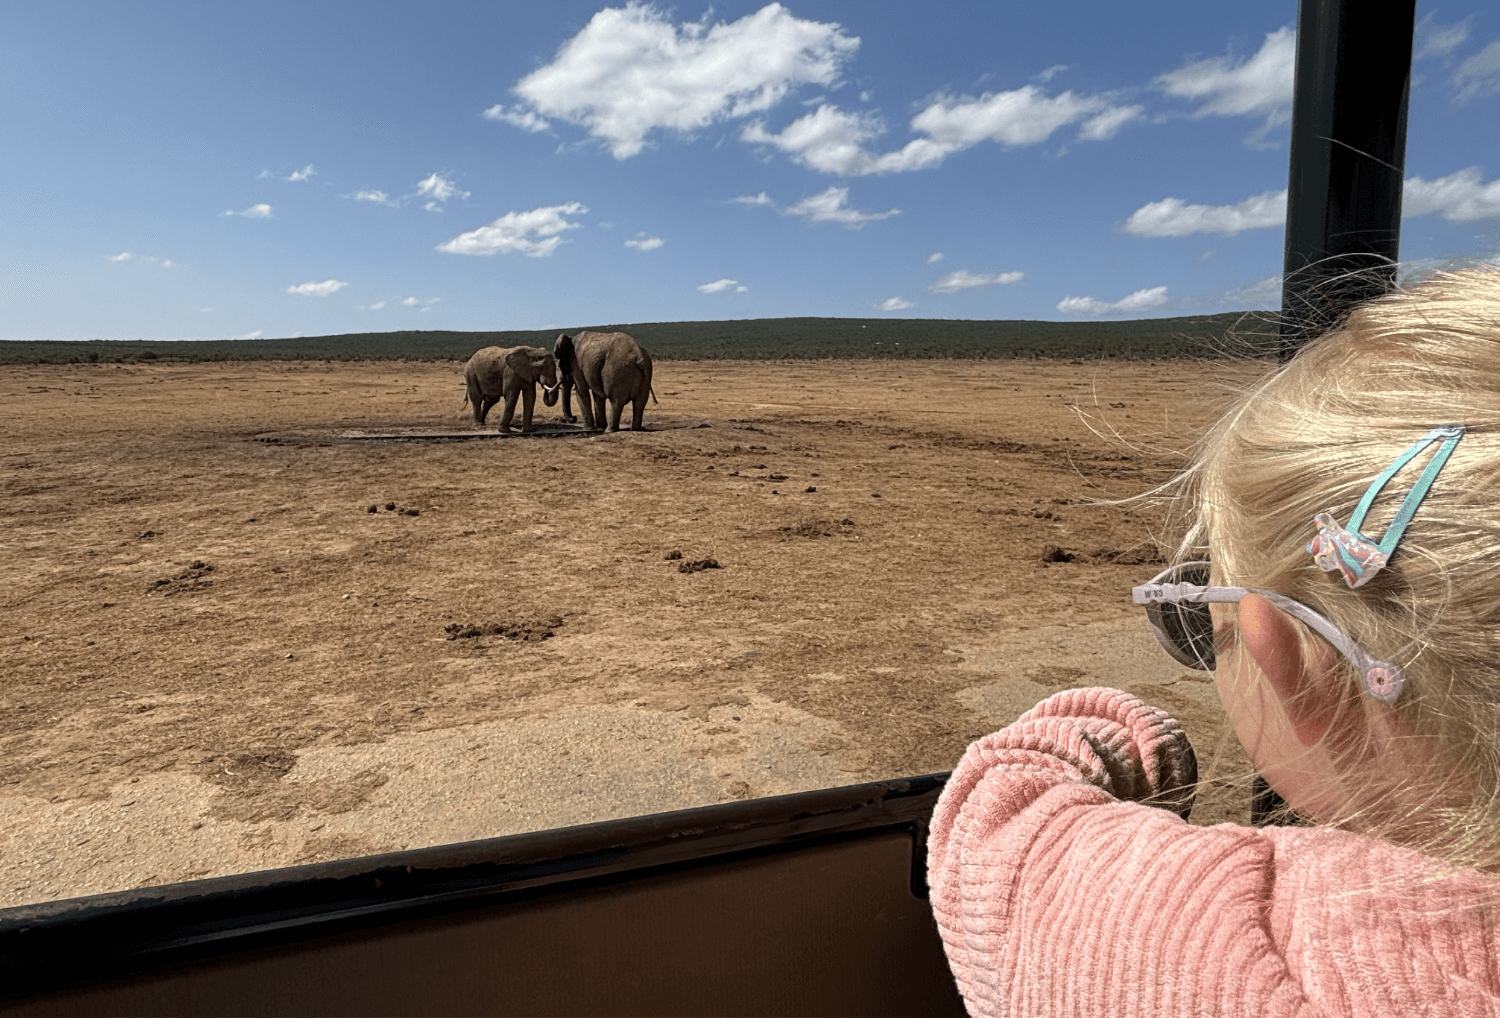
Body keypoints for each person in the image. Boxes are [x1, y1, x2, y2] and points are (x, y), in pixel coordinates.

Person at [927, 268, 1500, 1017]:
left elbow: (1000, 820)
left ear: (1281, 652)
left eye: (1205, 609)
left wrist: (1123, 735)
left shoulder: (1207, 930)